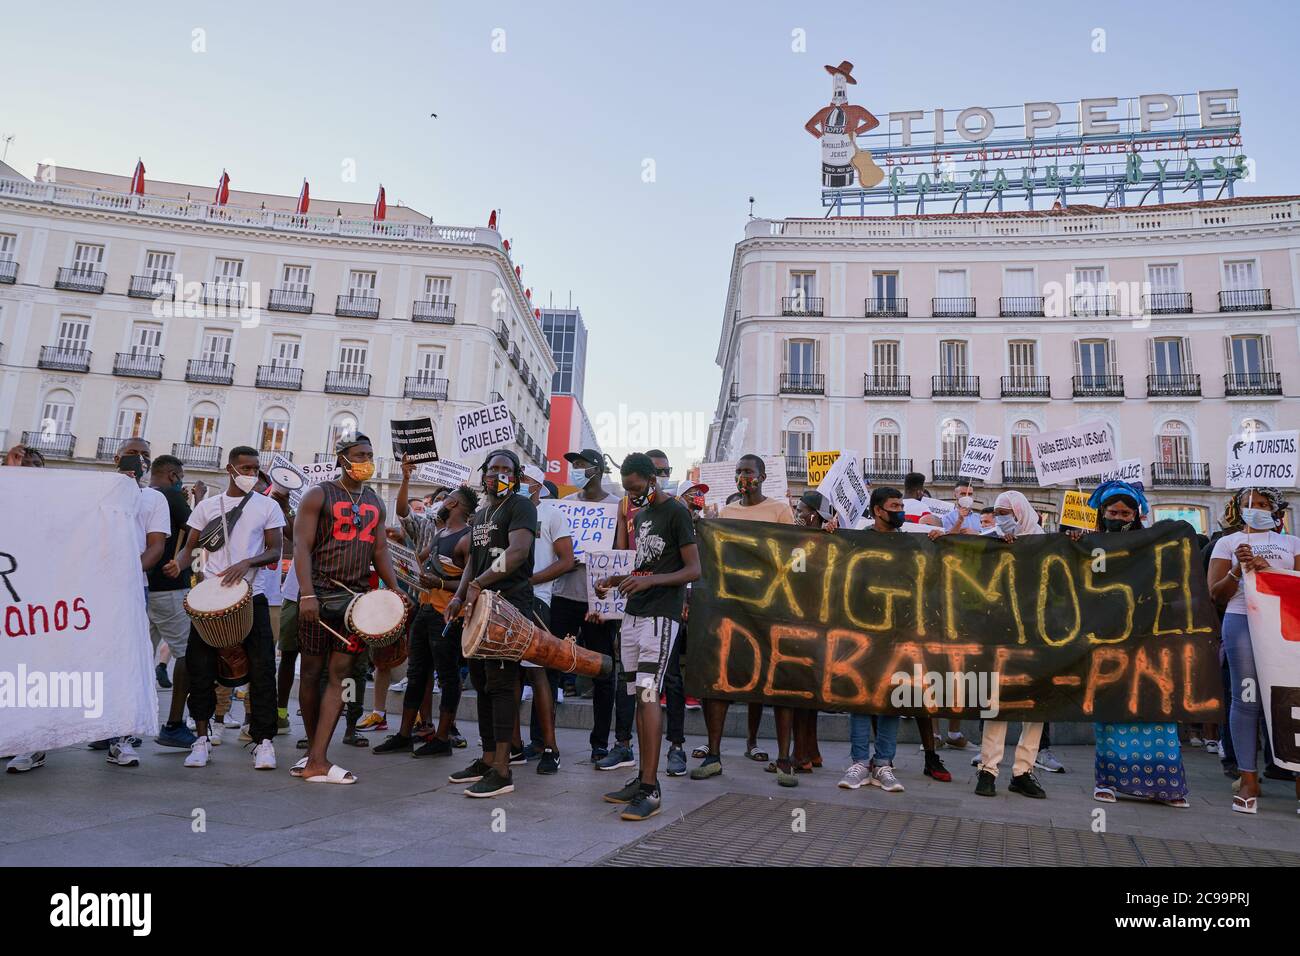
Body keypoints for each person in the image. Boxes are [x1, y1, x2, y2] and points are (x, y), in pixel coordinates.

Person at [293, 434, 404, 784]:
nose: (367, 460)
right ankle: (314, 752)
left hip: (355, 601)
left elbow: (380, 549)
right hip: (320, 595)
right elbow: (301, 545)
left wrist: (396, 590)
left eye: (370, 454)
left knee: (340, 676)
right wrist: (307, 594)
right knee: (311, 672)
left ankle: (317, 759)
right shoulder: (318, 494)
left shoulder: (374, 500)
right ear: (342, 458)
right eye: (360, 454)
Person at [597, 453, 700, 820]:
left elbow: (693, 569)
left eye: (636, 488)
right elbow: (642, 565)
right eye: (627, 490)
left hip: (661, 616)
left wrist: (650, 581)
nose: (631, 495)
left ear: (652, 480)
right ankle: (642, 778)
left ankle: (652, 788)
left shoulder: (676, 512)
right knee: (638, 698)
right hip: (634, 614)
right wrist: (613, 580)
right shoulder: (640, 517)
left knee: (647, 694)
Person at [175, 447, 284, 771]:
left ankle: (263, 742)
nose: (251, 473)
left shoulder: (267, 506)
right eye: (245, 468)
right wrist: (176, 564)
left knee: (263, 669)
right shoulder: (208, 506)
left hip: (253, 596)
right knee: (201, 668)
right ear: (230, 469)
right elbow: (188, 548)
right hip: (210, 599)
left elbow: (275, 550)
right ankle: (201, 738)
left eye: (255, 468)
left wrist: (248, 561)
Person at [691, 454, 797, 783]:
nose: (743, 476)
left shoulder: (780, 510)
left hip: (771, 606)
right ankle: (714, 754)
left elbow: (793, 554)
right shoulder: (727, 512)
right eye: (738, 471)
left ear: (762, 476)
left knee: (780, 681)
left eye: (748, 471)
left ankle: (784, 760)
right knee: (720, 678)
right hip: (732, 607)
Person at [1085, 481, 1190, 808]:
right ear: (1102, 513)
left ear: (1137, 514)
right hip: (1107, 638)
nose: (1118, 517)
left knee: (1156, 704)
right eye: (1112, 512)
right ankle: (1108, 782)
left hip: (1149, 637)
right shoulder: (1091, 545)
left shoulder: (1152, 544)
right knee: (1112, 705)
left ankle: (1167, 786)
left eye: (1125, 512)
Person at [444, 449, 538, 798]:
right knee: (481, 682)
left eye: (506, 469)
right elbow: (473, 560)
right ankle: (486, 758)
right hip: (479, 605)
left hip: (508, 606)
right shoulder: (482, 512)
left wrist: (479, 584)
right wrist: (459, 595)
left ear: (515, 475)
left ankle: (502, 768)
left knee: (501, 683)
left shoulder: (520, 506)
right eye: (493, 468)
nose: (499, 473)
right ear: (484, 473)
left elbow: (517, 552)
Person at [1207, 486, 1300, 815]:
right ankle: (1248, 777)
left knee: (1291, 696)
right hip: (1242, 621)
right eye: (1248, 504)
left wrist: (1269, 572)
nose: (1255, 508)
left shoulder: (1293, 544)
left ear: (1274, 511)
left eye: (1262, 504)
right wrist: (1238, 570)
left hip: (1287, 626)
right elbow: (1216, 595)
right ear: (1238, 509)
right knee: (1246, 700)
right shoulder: (1228, 543)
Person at [374, 459, 473, 756]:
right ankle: (405, 733)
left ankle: (442, 737)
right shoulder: (441, 533)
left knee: (447, 674)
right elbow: (421, 561)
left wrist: (440, 585)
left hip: (447, 614)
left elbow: (471, 585)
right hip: (426, 609)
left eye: (445, 499)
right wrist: (405, 559)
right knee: (417, 672)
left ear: (453, 502)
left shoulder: (467, 539)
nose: (438, 504)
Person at [551, 448, 636, 765]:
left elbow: (621, 554)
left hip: (599, 603)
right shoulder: (565, 505)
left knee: (603, 672)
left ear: (598, 470)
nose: (575, 469)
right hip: (564, 596)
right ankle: (544, 741)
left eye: (582, 465)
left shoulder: (617, 507)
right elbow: (554, 551)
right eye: (573, 464)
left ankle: (600, 742)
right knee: (552, 665)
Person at [836, 486, 915, 794]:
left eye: (901, 505)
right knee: (860, 696)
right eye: (895, 505)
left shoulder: (912, 544)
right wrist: (828, 531)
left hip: (899, 634)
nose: (900, 510)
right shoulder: (858, 541)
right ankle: (859, 762)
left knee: (892, 698)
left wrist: (939, 541)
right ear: (879, 510)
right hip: (862, 632)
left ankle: (883, 763)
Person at [974, 490, 1048, 799]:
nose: (1002, 518)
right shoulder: (992, 542)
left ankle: (1023, 771)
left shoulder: (1045, 544)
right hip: (1001, 636)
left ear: (1021, 512)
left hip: (1039, 636)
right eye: (999, 513)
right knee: (997, 701)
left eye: (1007, 512)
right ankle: (988, 770)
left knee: (1035, 707)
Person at [513, 467, 573, 773]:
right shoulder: (504, 512)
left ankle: (550, 747)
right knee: (508, 675)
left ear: (537, 485)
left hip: (536, 601)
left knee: (538, 675)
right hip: (505, 600)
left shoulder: (551, 514)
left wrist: (530, 581)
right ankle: (512, 747)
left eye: (524, 479)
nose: (517, 483)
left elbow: (567, 560)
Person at [147, 454, 198, 750]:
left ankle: (113, 732)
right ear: (172, 475)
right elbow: (197, 533)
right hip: (169, 586)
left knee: (139, 654)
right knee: (188, 653)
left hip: (141, 585)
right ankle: (174, 724)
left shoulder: (141, 494)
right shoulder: (170, 494)